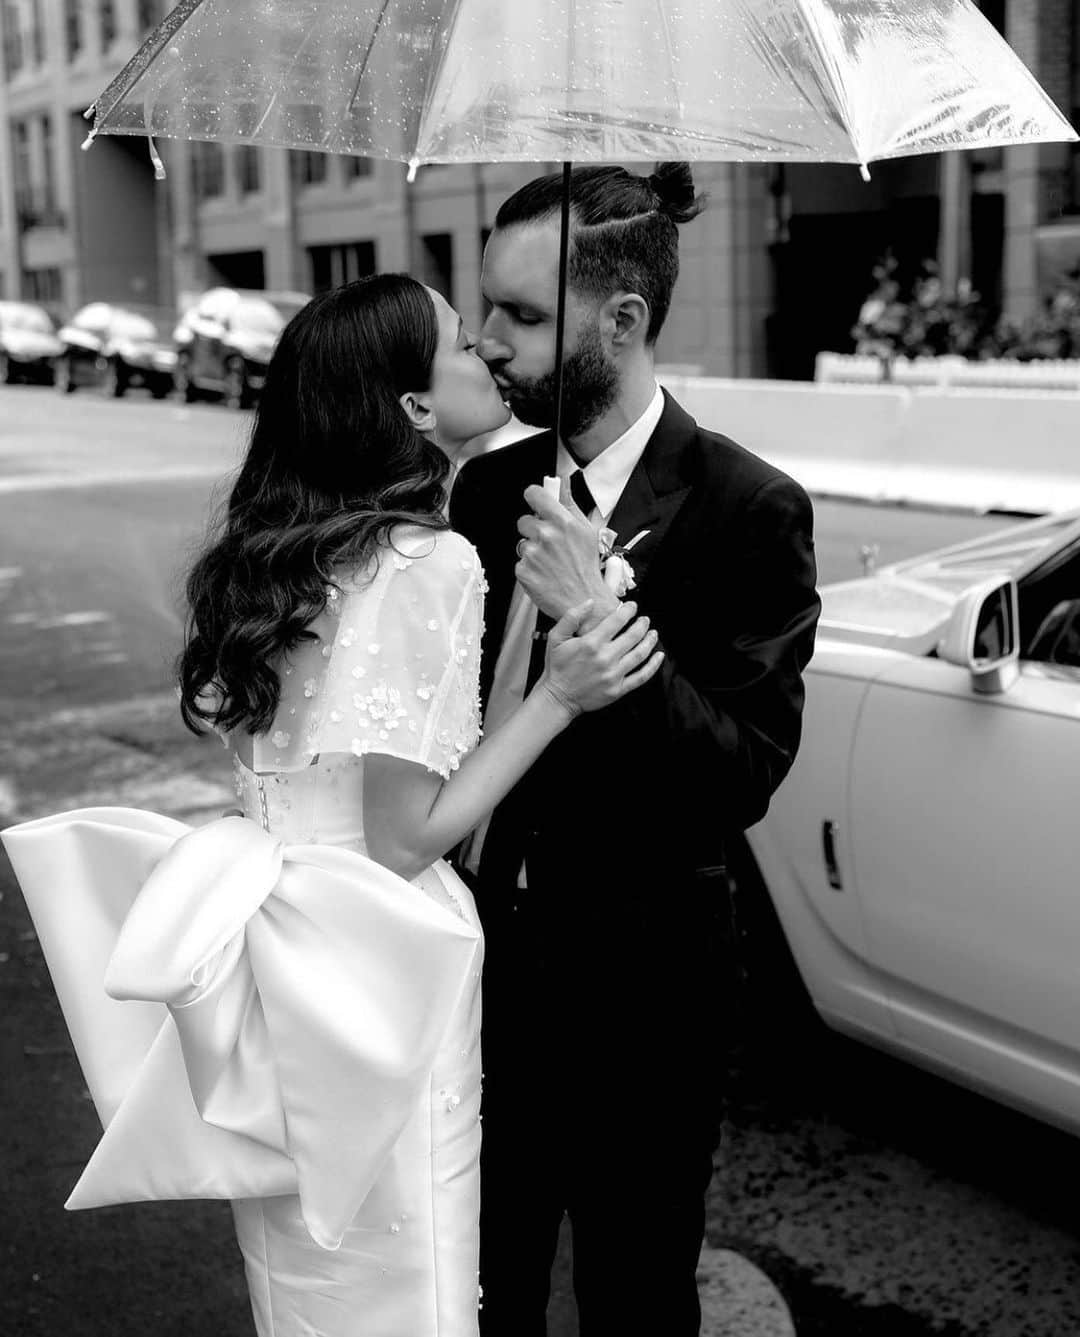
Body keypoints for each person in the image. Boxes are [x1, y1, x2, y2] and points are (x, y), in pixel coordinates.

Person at [1, 274, 664, 1337]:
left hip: (277, 954)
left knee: (309, 1269)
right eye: (457, 343)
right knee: (411, 1276)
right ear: (410, 405)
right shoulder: (426, 559)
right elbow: (407, 836)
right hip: (377, 956)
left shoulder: (289, 556)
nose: (486, 353)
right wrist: (559, 695)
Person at [449, 163, 822, 1336]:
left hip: (647, 986)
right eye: (486, 310)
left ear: (621, 321)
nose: (487, 342)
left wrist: (597, 617)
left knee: (633, 1292)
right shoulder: (489, 487)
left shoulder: (749, 507)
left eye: (519, 315)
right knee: (476, 1279)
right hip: (471, 969)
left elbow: (742, 770)